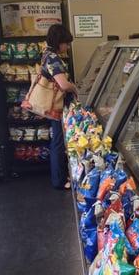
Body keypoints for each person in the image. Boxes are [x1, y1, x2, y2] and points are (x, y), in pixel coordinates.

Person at [42, 24, 78, 189]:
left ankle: (61, 177)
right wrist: (75, 88)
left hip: (54, 105)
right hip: (57, 106)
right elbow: (63, 85)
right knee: (58, 142)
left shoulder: (47, 54)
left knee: (57, 141)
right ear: (59, 41)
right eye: (66, 43)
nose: (68, 46)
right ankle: (59, 180)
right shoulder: (53, 58)